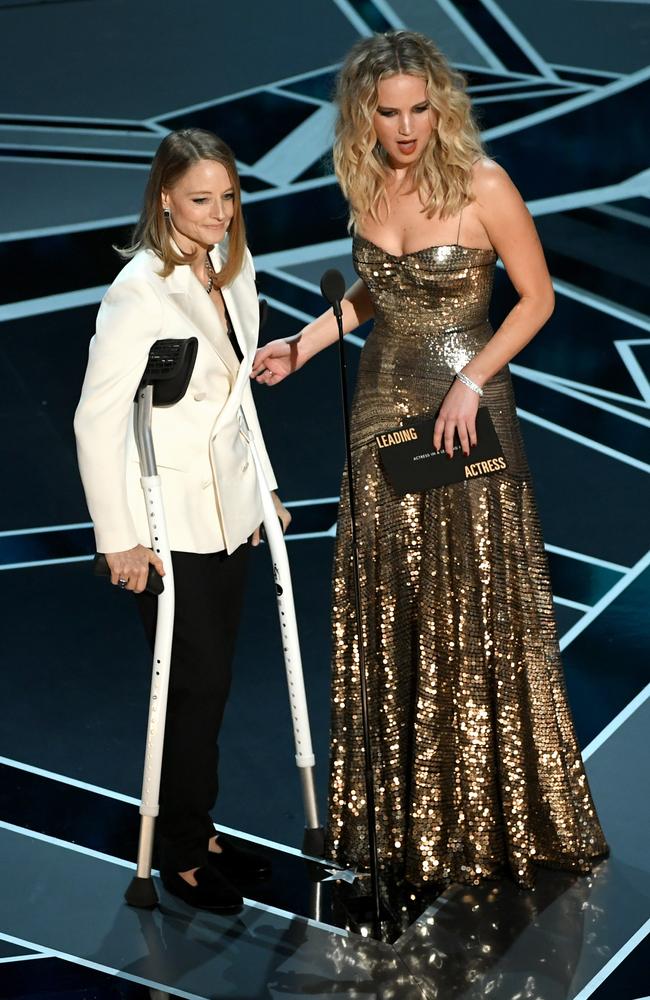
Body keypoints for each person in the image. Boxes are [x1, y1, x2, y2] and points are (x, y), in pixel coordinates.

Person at [251, 31, 607, 894]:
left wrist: (471, 380)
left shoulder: (483, 184)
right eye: (388, 112)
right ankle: (411, 817)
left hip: (467, 410)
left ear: (439, 106)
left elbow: (538, 298)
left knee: (473, 593)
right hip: (382, 404)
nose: (406, 128)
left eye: (418, 109)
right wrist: (306, 343)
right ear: (363, 117)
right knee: (394, 594)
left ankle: (496, 812)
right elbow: (380, 291)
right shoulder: (366, 184)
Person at [74, 128, 290, 912]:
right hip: (166, 528)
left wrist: (261, 490)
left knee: (214, 684)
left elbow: (234, 403)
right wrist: (117, 538)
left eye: (229, 197)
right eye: (201, 200)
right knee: (193, 688)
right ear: (165, 197)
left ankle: (195, 828)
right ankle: (181, 853)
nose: (219, 214)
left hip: (227, 513)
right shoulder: (139, 292)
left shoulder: (234, 274)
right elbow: (97, 420)